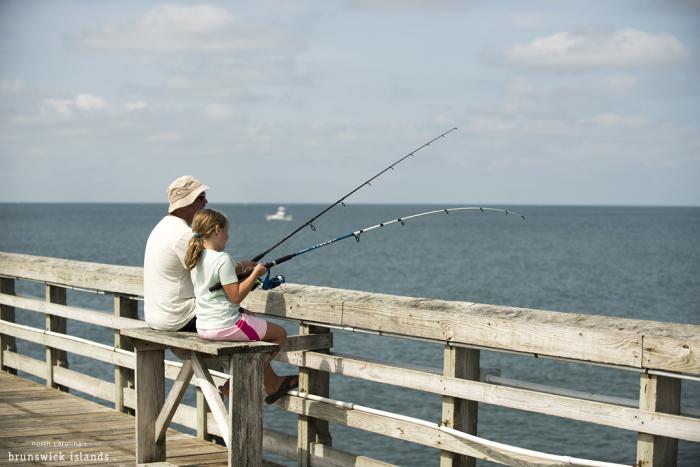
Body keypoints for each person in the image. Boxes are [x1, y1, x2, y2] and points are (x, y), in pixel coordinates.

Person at [184, 208, 298, 404]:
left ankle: (271, 383)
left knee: (253, 325)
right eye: (227, 232)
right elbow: (235, 296)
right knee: (279, 334)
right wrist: (256, 273)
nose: (228, 237)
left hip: (203, 326)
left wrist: (241, 266)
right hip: (225, 325)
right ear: (217, 230)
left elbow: (219, 282)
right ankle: (235, 381)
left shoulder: (197, 257)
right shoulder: (222, 258)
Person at [143, 175, 209, 332]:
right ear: (187, 202)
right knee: (255, 324)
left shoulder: (161, 227)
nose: (206, 202)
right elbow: (213, 273)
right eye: (201, 198)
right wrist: (242, 269)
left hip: (155, 317)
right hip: (178, 317)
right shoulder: (183, 234)